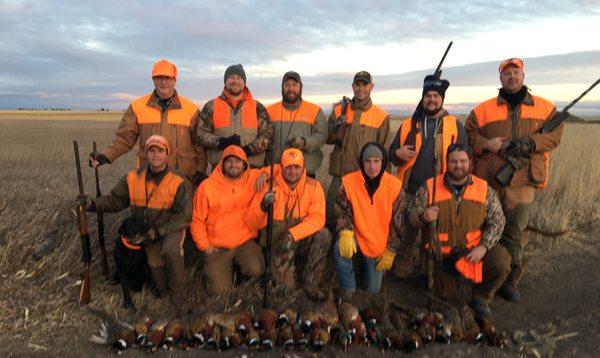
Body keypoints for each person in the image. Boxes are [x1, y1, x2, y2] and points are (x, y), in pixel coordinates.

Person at [464, 58, 563, 302]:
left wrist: (532, 143)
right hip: (489, 181)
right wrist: (487, 144)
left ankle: (509, 280)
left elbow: (555, 137)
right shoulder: (482, 109)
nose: (511, 77)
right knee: (481, 228)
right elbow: (469, 135)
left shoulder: (546, 108)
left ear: (523, 74)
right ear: (500, 78)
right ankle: (483, 275)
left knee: (515, 231)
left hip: (523, 180)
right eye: (506, 73)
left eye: (515, 72)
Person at [77, 135, 192, 314]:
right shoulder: (132, 178)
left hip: (169, 229)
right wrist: (92, 204)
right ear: (145, 154)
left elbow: (183, 216)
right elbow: (115, 200)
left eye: (160, 151)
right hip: (143, 234)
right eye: (151, 151)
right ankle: (161, 290)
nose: (155, 155)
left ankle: (180, 296)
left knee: (171, 250)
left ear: (167, 154)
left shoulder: (179, 181)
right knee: (156, 272)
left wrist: (157, 232)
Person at [408, 143, 510, 320]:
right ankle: (446, 285)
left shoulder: (484, 189)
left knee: (501, 261)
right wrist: (423, 216)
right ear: (447, 162)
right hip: (442, 257)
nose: (458, 165)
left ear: (470, 163)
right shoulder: (430, 186)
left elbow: (498, 221)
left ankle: (480, 298)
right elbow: (411, 215)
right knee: (441, 304)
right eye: (453, 161)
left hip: (473, 253)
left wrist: (484, 247)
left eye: (463, 161)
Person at [388, 74, 468, 277]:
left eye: (436, 95)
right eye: (428, 95)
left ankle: (429, 274)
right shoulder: (408, 124)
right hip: (408, 189)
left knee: (433, 236)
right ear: (422, 98)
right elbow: (391, 154)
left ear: (442, 99)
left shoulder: (455, 125)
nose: (431, 99)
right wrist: (398, 153)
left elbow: (464, 159)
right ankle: (401, 270)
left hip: (439, 192)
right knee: (404, 234)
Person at [90, 59, 206, 187]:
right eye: (158, 77)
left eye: (167, 77)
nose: (163, 82)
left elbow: (199, 144)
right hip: (150, 176)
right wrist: (106, 156)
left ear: (174, 80)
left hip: (182, 178)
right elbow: (123, 139)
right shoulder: (137, 107)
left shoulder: (191, 109)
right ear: (153, 80)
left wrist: (200, 171)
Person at [247, 148, 331, 299]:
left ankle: (310, 282)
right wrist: (263, 207)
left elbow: (318, 218)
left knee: (323, 235)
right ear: (281, 168)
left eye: (296, 167)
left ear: (303, 167)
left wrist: (293, 234)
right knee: (284, 293)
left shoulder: (313, 186)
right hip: (277, 246)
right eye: (288, 167)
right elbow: (251, 222)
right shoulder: (268, 186)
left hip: (298, 241)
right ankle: (287, 275)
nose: (293, 171)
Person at [190, 145, 265, 295]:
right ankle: (215, 271)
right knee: (220, 293)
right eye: (229, 161)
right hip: (218, 246)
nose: (233, 165)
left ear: (244, 164)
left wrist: (264, 174)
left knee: (257, 269)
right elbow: (197, 220)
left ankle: (240, 276)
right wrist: (205, 246)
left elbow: (277, 169)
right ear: (222, 164)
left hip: (244, 241)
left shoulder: (252, 178)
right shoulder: (207, 186)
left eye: (238, 161)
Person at [333, 142, 404, 296]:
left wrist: (391, 250)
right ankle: (348, 289)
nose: (372, 166)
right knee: (340, 248)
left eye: (376, 161)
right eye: (368, 161)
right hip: (356, 236)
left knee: (373, 289)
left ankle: (364, 288)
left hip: (379, 242)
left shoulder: (395, 186)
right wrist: (345, 231)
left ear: (383, 162)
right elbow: (342, 211)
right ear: (362, 162)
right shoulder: (348, 182)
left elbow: (398, 223)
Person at [325, 71, 390, 230]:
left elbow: (383, 154)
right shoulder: (339, 110)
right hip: (339, 176)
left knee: (361, 220)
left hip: (364, 179)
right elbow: (328, 139)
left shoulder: (381, 116)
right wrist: (337, 127)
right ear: (353, 86)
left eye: (365, 85)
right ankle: (332, 251)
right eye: (358, 85)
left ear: (371, 87)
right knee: (331, 217)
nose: (361, 89)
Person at [196, 64, 273, 170]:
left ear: (244, 82)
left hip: (252, 172)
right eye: (231, 77)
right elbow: (200, 134)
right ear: (225, 81)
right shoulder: (211, 106)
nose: (235, 81)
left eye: (239, 78)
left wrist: (248, 150)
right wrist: (222, 142)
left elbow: (267, 136)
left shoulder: (257, 107)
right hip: (220, 171)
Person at [266, 71, 328, 178]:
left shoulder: (314, 110)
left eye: (294, 85)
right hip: (276, 171)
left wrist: (304, 143)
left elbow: (322, 136)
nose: (290, 88)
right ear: (282, 87)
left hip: (305, 171)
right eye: (287, 85)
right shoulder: (269, 111)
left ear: (301, 87)